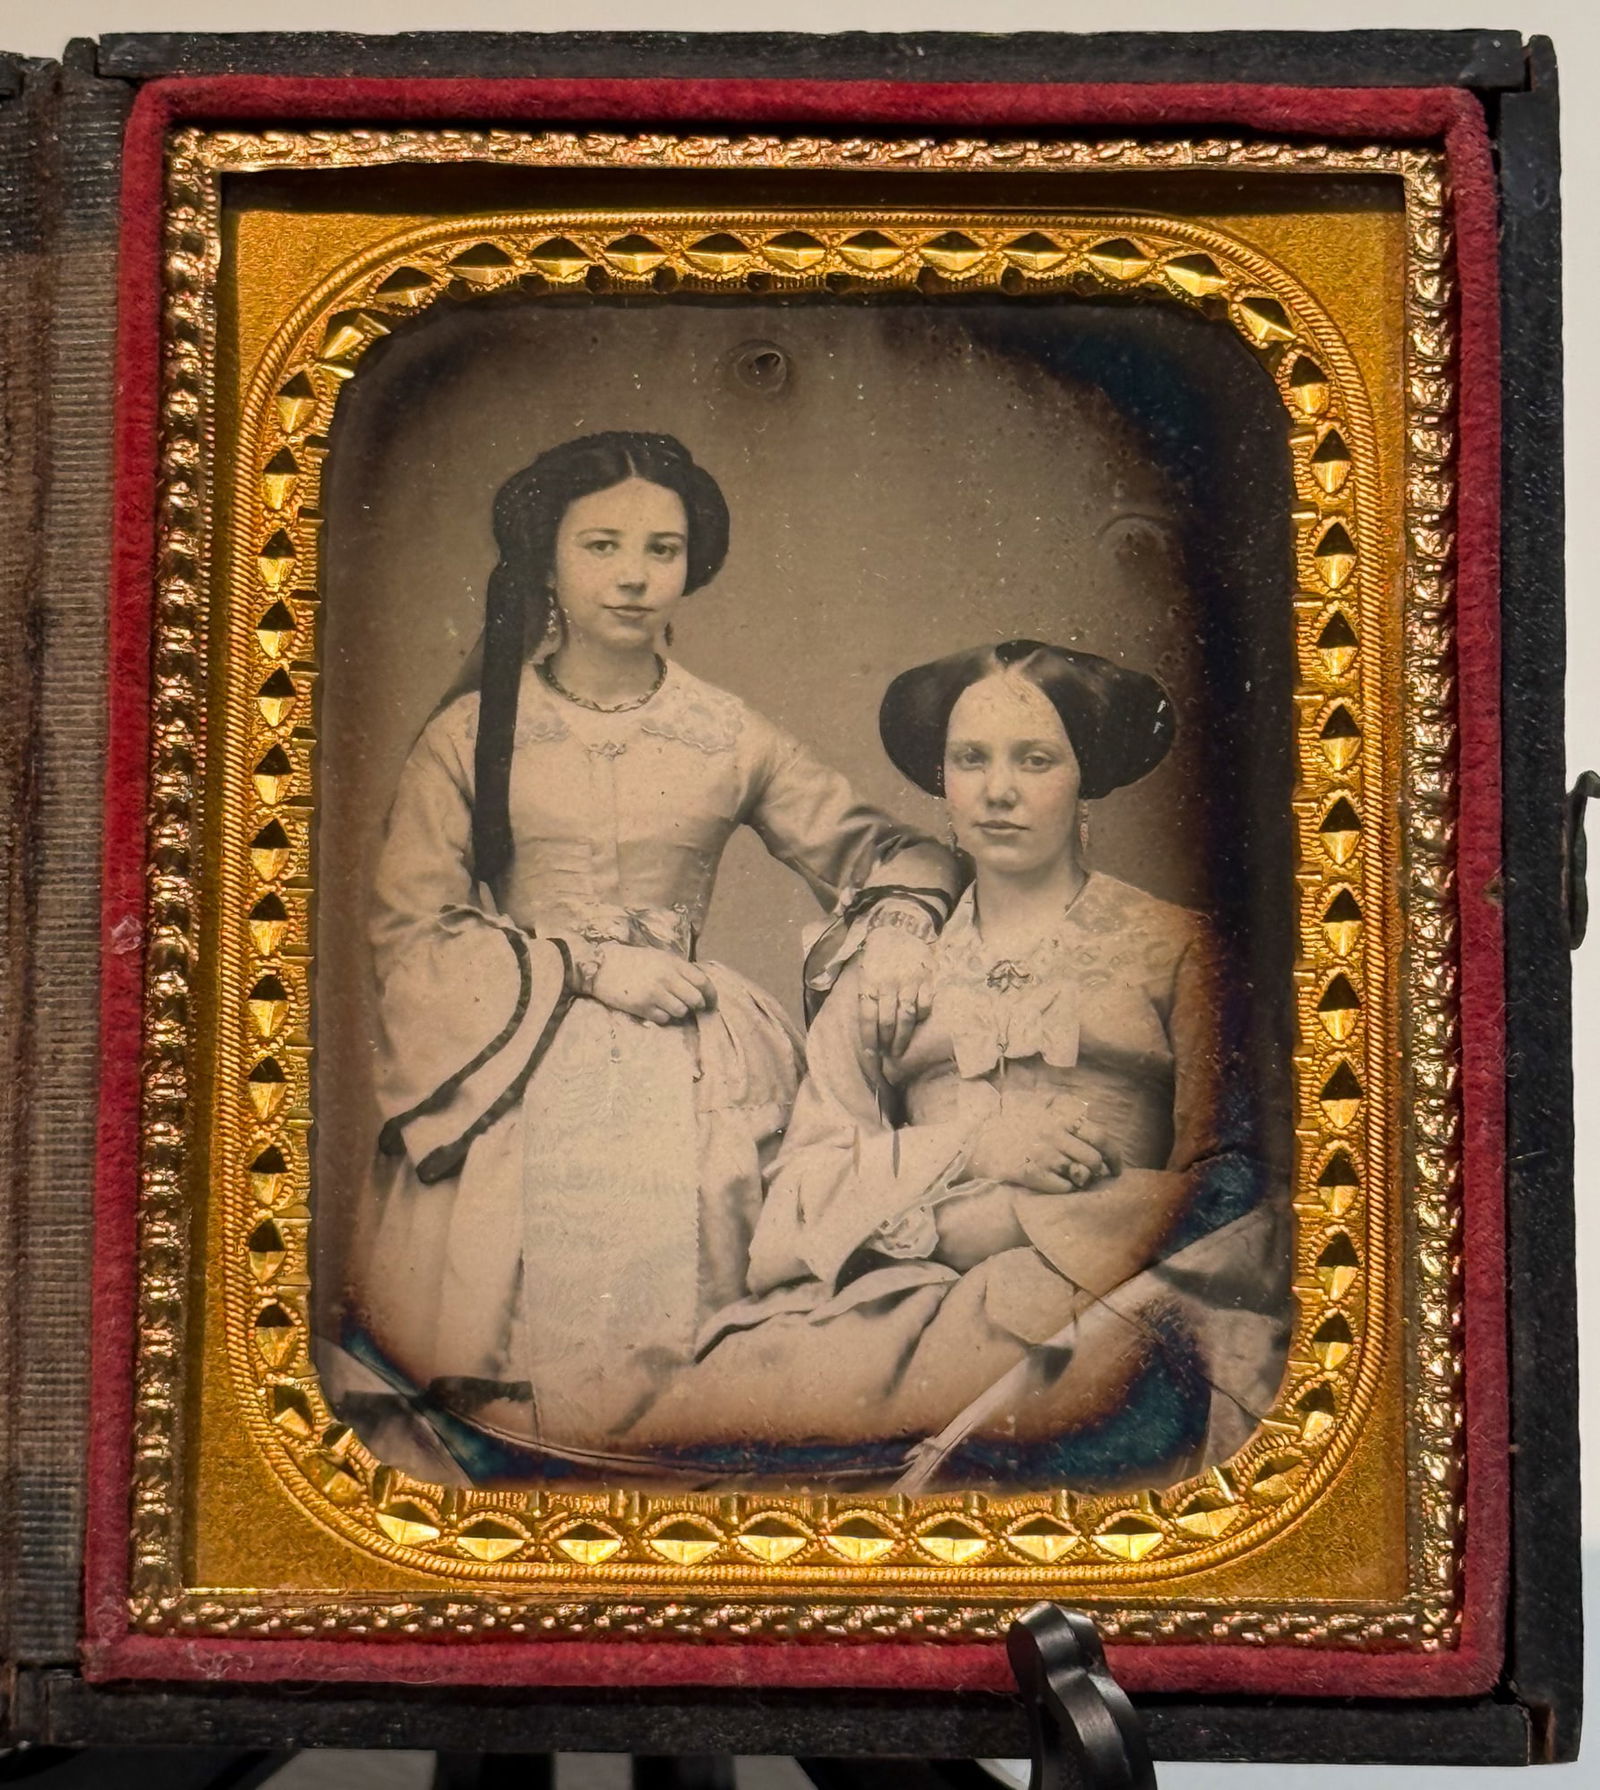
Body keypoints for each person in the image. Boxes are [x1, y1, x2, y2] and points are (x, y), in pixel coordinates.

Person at [327, 432, 955, 1483]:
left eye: (660, 549)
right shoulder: (471, 736)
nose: (632, 574)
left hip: (700, 1060)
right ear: (547, 560)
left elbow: (888, 849)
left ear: (691, 563)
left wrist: (895, 919)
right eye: (602, 545)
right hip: (512, 1064)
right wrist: (579, 967)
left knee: (701, 1389)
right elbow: (412, 927)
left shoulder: (727, 733)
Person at [632, 640, 1291, 1493]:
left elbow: (1238, 1190)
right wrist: (966, 1161)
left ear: (1082, 776)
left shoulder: (1178, 949)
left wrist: (1026, 1221)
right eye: (971, 759)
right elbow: (796, 1201)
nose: (1000, 790)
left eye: (1036, 759)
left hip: (1102, 1290)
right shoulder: (885, 974)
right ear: (940, 779)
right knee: (711, 1399)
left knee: (1094, 1382)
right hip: (903, 1302)